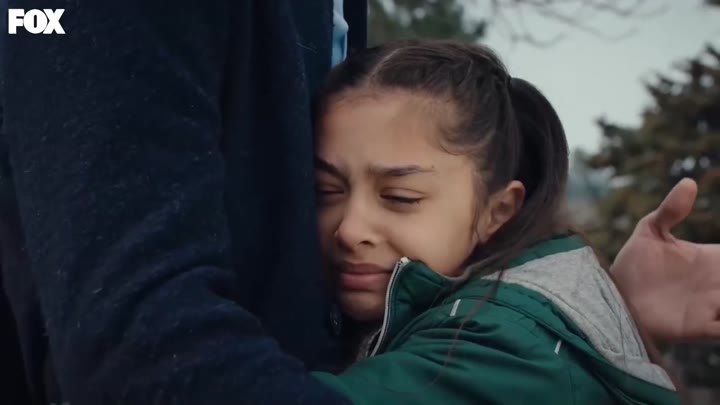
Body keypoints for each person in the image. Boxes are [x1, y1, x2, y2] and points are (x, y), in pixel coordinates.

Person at [2, 3, 720, 405]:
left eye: (400, 196)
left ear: (498, 210)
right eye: (323, 191)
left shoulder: (503, 350)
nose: (350, 228)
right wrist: (610, 311)